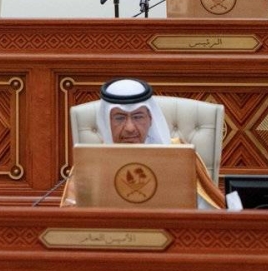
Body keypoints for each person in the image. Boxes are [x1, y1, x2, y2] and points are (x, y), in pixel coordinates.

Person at [62, 78, 226, 209]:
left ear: (150, 119)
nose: (130, 128)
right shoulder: (90, 162)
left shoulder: (179, 155)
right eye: (119, 118)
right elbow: (71, 220)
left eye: (138, 117)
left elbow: (206, 211)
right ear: (106, 122)